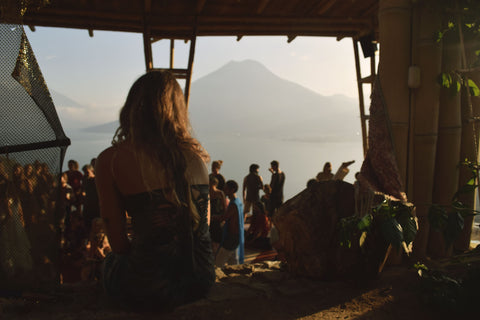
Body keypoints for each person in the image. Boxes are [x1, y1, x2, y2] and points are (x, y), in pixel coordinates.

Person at [95, 71, 215, 307]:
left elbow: (118, 245)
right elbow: (204, 225)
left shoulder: (111, 160)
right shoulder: (197, 158)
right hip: (201, 279)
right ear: (179, 111)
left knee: (109, 263)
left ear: (132, 107)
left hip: (149, 287)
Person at [214, 180, 244, 266]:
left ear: (232, 190)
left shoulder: (234, 204)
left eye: (226, 189)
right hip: (236, 237)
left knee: (218, 262)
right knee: (233, 262)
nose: (224, 190)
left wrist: (212, 217)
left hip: (232, 237)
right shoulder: (238, 202)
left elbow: (223, 218)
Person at [209, 175, 226, 253]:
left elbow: (224, 207)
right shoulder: (207, 193)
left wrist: (223, 218)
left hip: (217, 217)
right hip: (210, 217)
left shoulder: (220, 193)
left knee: (217, 239)